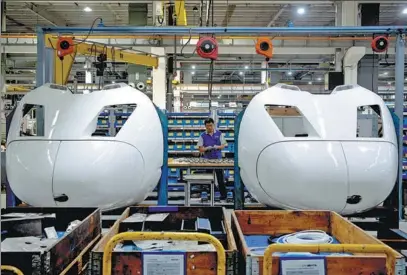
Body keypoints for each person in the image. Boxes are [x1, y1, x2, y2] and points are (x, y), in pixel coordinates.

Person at [197, 118, 228, 200]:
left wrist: (218, 147)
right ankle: (210, 195)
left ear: (213, 125)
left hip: (218, 159)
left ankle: (223, 196)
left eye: (210, 125)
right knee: (208, 179)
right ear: (205, 126)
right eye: (207, 126)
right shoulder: (202, 136)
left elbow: (224, 144)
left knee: (220, 178)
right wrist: (207, 148)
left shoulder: (219, 134)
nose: (209, 127)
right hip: (207, 160)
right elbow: (200, 149)